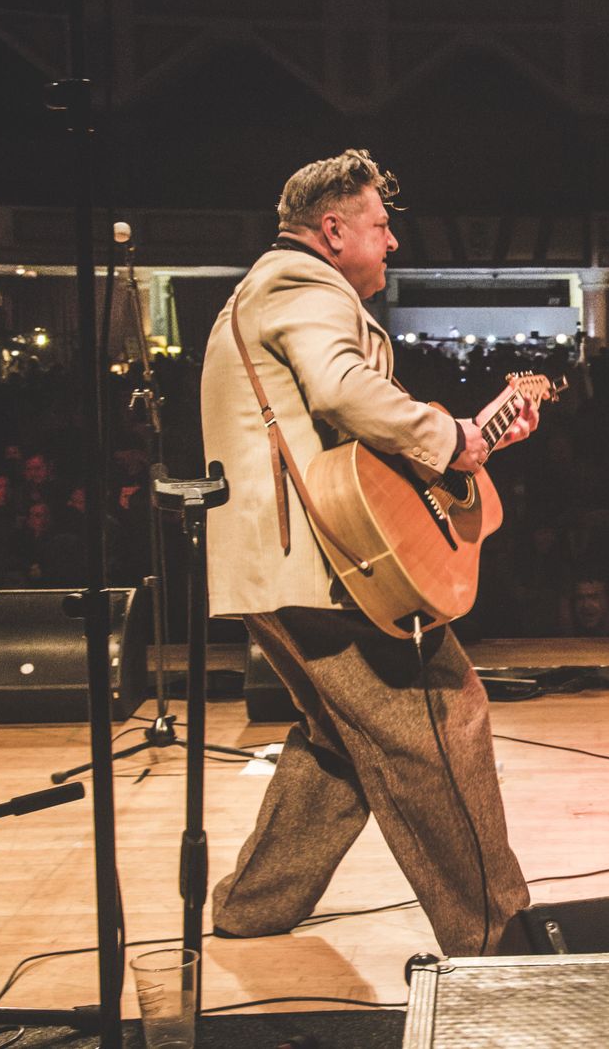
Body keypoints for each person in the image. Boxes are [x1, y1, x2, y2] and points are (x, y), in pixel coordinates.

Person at [201, 149, 538, 954]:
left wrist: (468, 439)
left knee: (339, 739)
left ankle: (254, 904)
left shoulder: (268, 288)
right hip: (326, 569)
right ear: (333, 228)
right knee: (444, 718)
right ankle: (499, 936)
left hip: (281, 567)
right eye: (380, 226)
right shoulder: (302, 283)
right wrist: (450, 436)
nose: (391, 243)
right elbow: (344, 390)